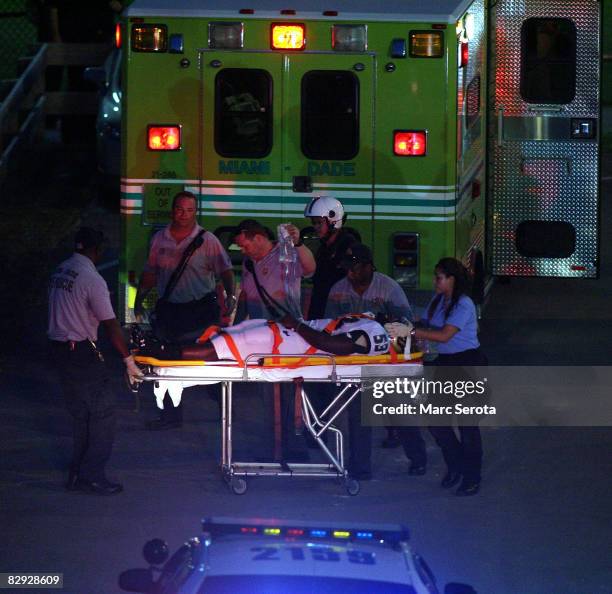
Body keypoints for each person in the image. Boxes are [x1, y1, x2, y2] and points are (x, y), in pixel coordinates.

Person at [48, 227, 142, 496]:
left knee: (82, 416)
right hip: (81, 355)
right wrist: (128, 360)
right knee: (102, 414)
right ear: (97, 250)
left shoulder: (61, 270)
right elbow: (111, 325)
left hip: (60, 351)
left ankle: (77, 473)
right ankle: (92, 477)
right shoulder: (92, 278)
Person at [134, 190, 236, 429]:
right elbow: (150, 274)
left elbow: (225, 270)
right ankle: (170, 416)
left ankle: (225, 411)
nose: (184, 214)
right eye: (180, 209)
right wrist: (139, 301)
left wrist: (231, 295)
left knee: (208, 364)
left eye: (190, 210)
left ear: (196, 212)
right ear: (172, 210)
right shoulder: (159, 239)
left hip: (201, 310)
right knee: (166, 364)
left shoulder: (208, 240)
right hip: (170, 311)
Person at [388, 257, 487, 496]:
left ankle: (472, 476)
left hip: (466, 365)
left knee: (467, 426)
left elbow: (444, 336)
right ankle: (456, 465)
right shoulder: (439, 301)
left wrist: (411, 330)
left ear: (452, 279)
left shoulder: (464, 304)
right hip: (445, 365)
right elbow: (426, 324)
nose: (435, 281)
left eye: (439, 277)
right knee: (437, 422)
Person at [325, 242, 416, 473]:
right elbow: (328, 327)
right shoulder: (338, 289)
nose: (350, 273)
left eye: (354, 268)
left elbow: (405, 325)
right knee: (358, 413)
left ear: (368, 267)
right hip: (354, 362)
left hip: (386, 359)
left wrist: (400, 367)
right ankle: (360, 466)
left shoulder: (389, 288)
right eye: (347, 268)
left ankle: (417, 457)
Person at [233, 219, 316, 461]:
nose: (242, 251)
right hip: (261, 340)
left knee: (291, 396)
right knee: (267, 395)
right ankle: (275, 445)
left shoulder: (286, 255)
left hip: (289, 336)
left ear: (257, 237)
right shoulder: (250, 264)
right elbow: (246, 297)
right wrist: (236, 329)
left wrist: (298, 243)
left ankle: (295, 448)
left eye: (244, 245)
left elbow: (310, 268)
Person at [139, 313, 390, 362]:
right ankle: (163, 345)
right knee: (229, 333)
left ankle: (162, 351)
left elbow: (335, 346)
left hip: (297, 341)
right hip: (291, 332)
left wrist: (297, 326)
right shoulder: (371, 320)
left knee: (230, 344)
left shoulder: (377, 333)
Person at [303, 196, 358, 320]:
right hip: (322, 313)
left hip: (336, 315)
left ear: (334, 220)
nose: (315, 227)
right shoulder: (324, 248)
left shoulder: (348, 247)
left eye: (319, 222)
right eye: (314, 223)